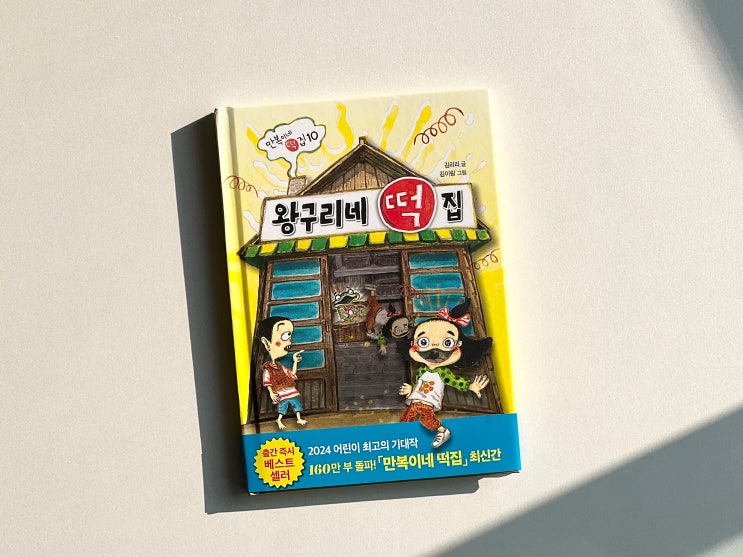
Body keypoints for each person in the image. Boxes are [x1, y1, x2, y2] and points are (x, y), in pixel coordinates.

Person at [399, 299, 491, 448]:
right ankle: (404, 438)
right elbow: (418, 384)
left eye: (447, 343)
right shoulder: (422, 370)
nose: (434, 352)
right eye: (423, 342)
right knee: (406, 417)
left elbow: (454, 381)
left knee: (427, 421)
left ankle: (443, 431)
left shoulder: (443, 373)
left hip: (428, 403)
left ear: (458, 345)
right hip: (416, 400)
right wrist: (411, 390)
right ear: (412, 344)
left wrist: (470, 386)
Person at [258, 316, 306, 430]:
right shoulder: (267, 368)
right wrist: (271, 393)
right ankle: (279, 420)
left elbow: (292, 374)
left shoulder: (280, 366)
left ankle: (299, 418)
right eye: (285, 336)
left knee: (296, 404)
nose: (290, 341)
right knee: (282, 407)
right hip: (281, 392)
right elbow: (267, 381)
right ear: (266, 343)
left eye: (290, 335)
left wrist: (295, 362)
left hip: (290, 390)